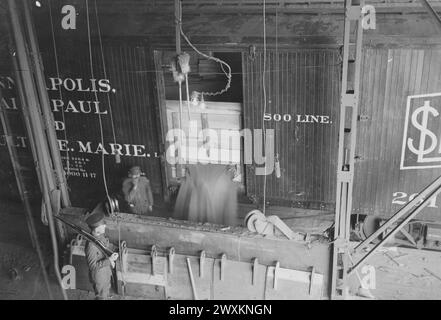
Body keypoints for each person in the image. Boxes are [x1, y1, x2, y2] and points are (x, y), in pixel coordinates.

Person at [85, 212, 119, 300]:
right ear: (96, 229)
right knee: (101, 296)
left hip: (106, 272)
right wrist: (110, 260)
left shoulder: (100, 236)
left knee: (107, 290)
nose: (105, 226)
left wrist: (113, 251)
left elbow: (105, 247)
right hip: (99, 277)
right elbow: (92, 266)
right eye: (103, 225)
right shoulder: (91, 246)